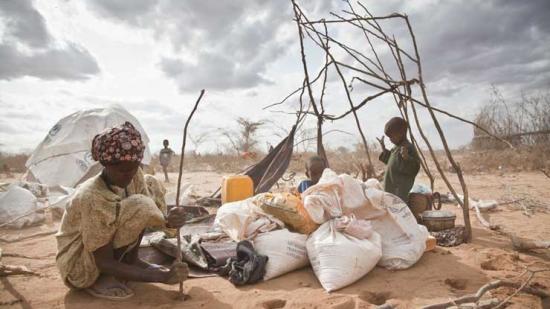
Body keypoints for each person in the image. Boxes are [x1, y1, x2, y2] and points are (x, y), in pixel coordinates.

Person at [56, 122, 188, 301]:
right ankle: (102, 278)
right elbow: (102, 261)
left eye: (134, 168)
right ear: (105, 165)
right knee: (139, 204)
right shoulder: (92, 197)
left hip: (106, 254)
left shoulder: (135, 175)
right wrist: (160, 277)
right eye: (122, 170)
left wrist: (170, 220)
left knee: (151, 184)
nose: (129, 175)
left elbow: (148, 214)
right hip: (81, 265)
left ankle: (130, 262)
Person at [377, 117, 420, 203]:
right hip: (390, 189)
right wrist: (384, 149)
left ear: (400, 134)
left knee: (398, 212)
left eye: (391, 137)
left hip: (399, 193)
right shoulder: (396, 148)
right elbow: (392, 161)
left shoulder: (408, 147)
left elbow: (415, 167)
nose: (390, 139)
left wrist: (407, 158)